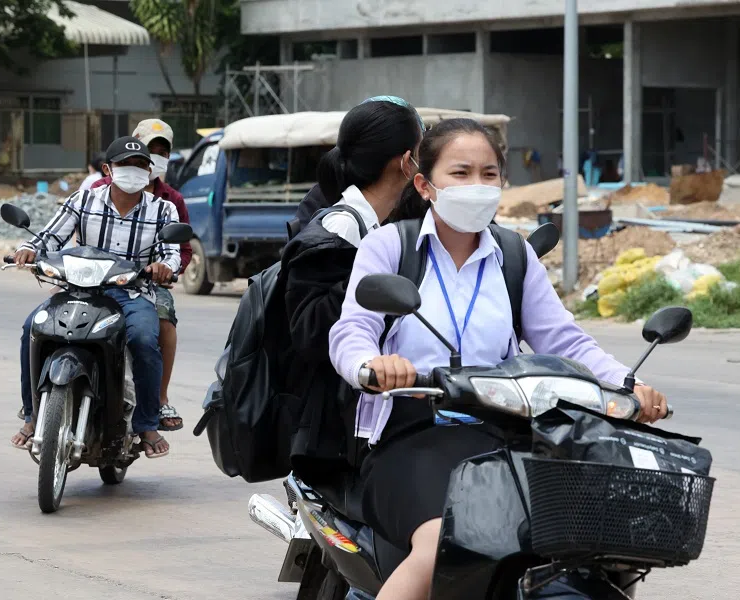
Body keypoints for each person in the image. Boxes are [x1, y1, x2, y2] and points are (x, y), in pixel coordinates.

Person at [327, 118, 669, 600]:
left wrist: (627, 386)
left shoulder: (514, 256)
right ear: (425, 185)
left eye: (489, 174)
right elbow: (352, 329)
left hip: (502, 435)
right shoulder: (391, 245)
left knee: (589, 546)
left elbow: (565, 341)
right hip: (412, 438)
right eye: (461, 173)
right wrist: (371, 365)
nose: (477, 185)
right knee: (438, 546)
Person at [280, 97, 423, 483]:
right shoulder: (341, 228)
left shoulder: (392, 221)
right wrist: (369, 272)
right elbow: (309, 332)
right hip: (335, 424)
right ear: (406, 162)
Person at [10, 135, 181, 458]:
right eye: (124, 165)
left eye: (140, 165)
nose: (133, 170)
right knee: (32, 328)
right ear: (108, 169)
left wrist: (163, 266)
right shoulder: (83, 200)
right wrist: (28, 249)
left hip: (131, 292)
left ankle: (146, 423)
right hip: (78, 289)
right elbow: (49, 236)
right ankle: (32, 415)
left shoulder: (163, 209)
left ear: (149, 171)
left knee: (146, 339)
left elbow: (171, 253)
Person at [90, 119, 192, 431]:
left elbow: (181, 250)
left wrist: (167, 270)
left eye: (162, 152)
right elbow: (66, 235)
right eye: (150, 150)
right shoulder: (94, 195)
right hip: (94, 278)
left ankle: (158, 399)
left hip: (144, 282)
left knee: (159, 324)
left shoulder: (169, 201)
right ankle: (36, 410)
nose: (154, 158)